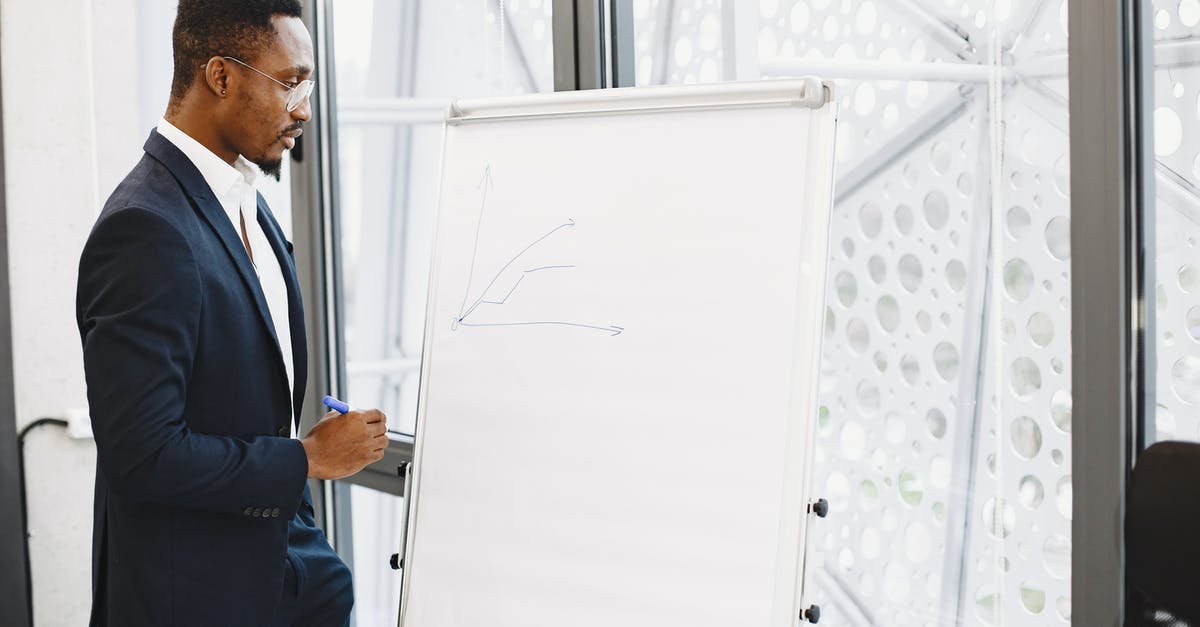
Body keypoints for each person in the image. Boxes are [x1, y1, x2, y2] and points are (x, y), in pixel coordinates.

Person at [75, 1, 386, 625]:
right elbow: (142, 455)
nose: (303, 109)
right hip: (195, 600)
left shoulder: (245, 199)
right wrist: (306, 459)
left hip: (286, 578)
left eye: (309, 84)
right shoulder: (144, 227)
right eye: (290, 83)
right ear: (220, 76)